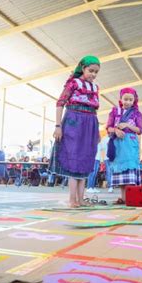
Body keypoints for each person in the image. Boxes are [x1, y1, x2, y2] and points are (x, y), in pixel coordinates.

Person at [49, 55, 101, 208]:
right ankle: (72, 199)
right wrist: (58, 126)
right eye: (90, 70)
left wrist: (97, 131)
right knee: (74, 158)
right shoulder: (73, 83)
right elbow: (60, 103)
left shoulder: (96, 88)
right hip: (74, 121)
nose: (93, 74)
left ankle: (81, 199)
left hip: (90, 122)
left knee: (85, 159)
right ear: (83, 68)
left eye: (96, 72)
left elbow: (94, 110)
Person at [107, 87, 142, 204]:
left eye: (130, 99)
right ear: (120, 99)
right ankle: (122, 198)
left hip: (130, 144)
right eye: (125, 99)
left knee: (129, 172)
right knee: (121, 172)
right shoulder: (114, 111)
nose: (127, 101)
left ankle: (130, 198)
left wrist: (127, 125)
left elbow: (140, 130)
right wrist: (116, 130)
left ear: (134, 101)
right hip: (118, 144)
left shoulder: (137, 113)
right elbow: (108, 127)